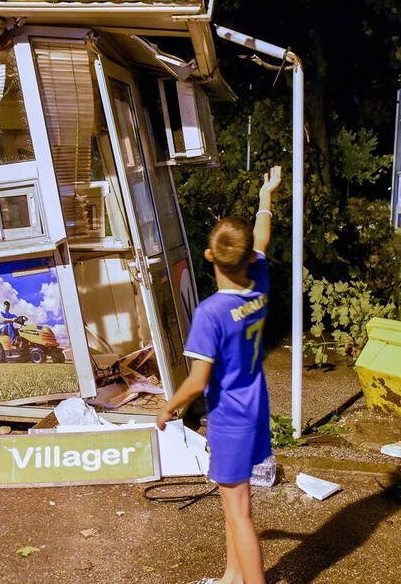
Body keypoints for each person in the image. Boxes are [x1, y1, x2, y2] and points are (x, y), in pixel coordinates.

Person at [157, 166, 282, 584]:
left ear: (209, 256)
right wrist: (266, 197)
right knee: (235, 502)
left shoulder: (210, 312)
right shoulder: (259, 280)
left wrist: (168, 407)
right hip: (256, 408)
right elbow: (261, 236)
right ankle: (231, 577)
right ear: (247, 258)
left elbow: (197, 382)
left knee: (239, 512)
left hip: (229, 420)